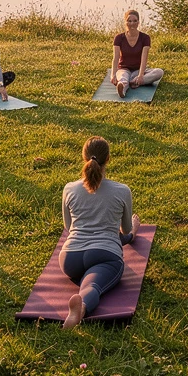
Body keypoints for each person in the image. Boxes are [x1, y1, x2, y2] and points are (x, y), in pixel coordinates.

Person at [60, 136, 141, 328]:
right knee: (92, 286)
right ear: (109, 159)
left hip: (70, 257)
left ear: (84, 157)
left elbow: (69, 227)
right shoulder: (122, 191)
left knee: (88, 278)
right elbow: (125, 230)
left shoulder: (69, 188)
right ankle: (81, 308)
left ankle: (78, 307)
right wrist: (134, 232)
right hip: (104, 255)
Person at [110, 9, 164, 98]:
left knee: (159, 72)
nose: (132, 23)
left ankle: (134, 81)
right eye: (129, 21)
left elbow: (144, 58)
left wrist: (141, 75)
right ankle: (122, 89)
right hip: (124, 69)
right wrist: (113, 75)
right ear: (125, 22)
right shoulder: (119, 38)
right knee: (123, 78)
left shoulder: (145, 38)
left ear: (138, 22)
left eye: (135, 21)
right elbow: (115, 58)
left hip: (138, 70)